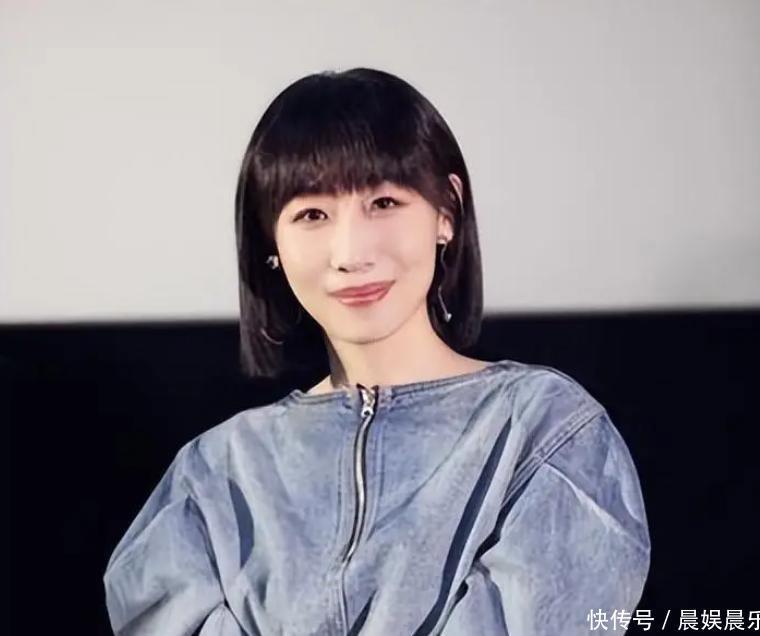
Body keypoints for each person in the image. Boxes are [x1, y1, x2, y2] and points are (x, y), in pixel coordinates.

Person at [103, 68, 650, 635]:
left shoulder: (545, 430)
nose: (350, 254)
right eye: (312, 215)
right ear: (271, 242)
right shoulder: (214, 471)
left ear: (446, 211)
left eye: (384, 202)